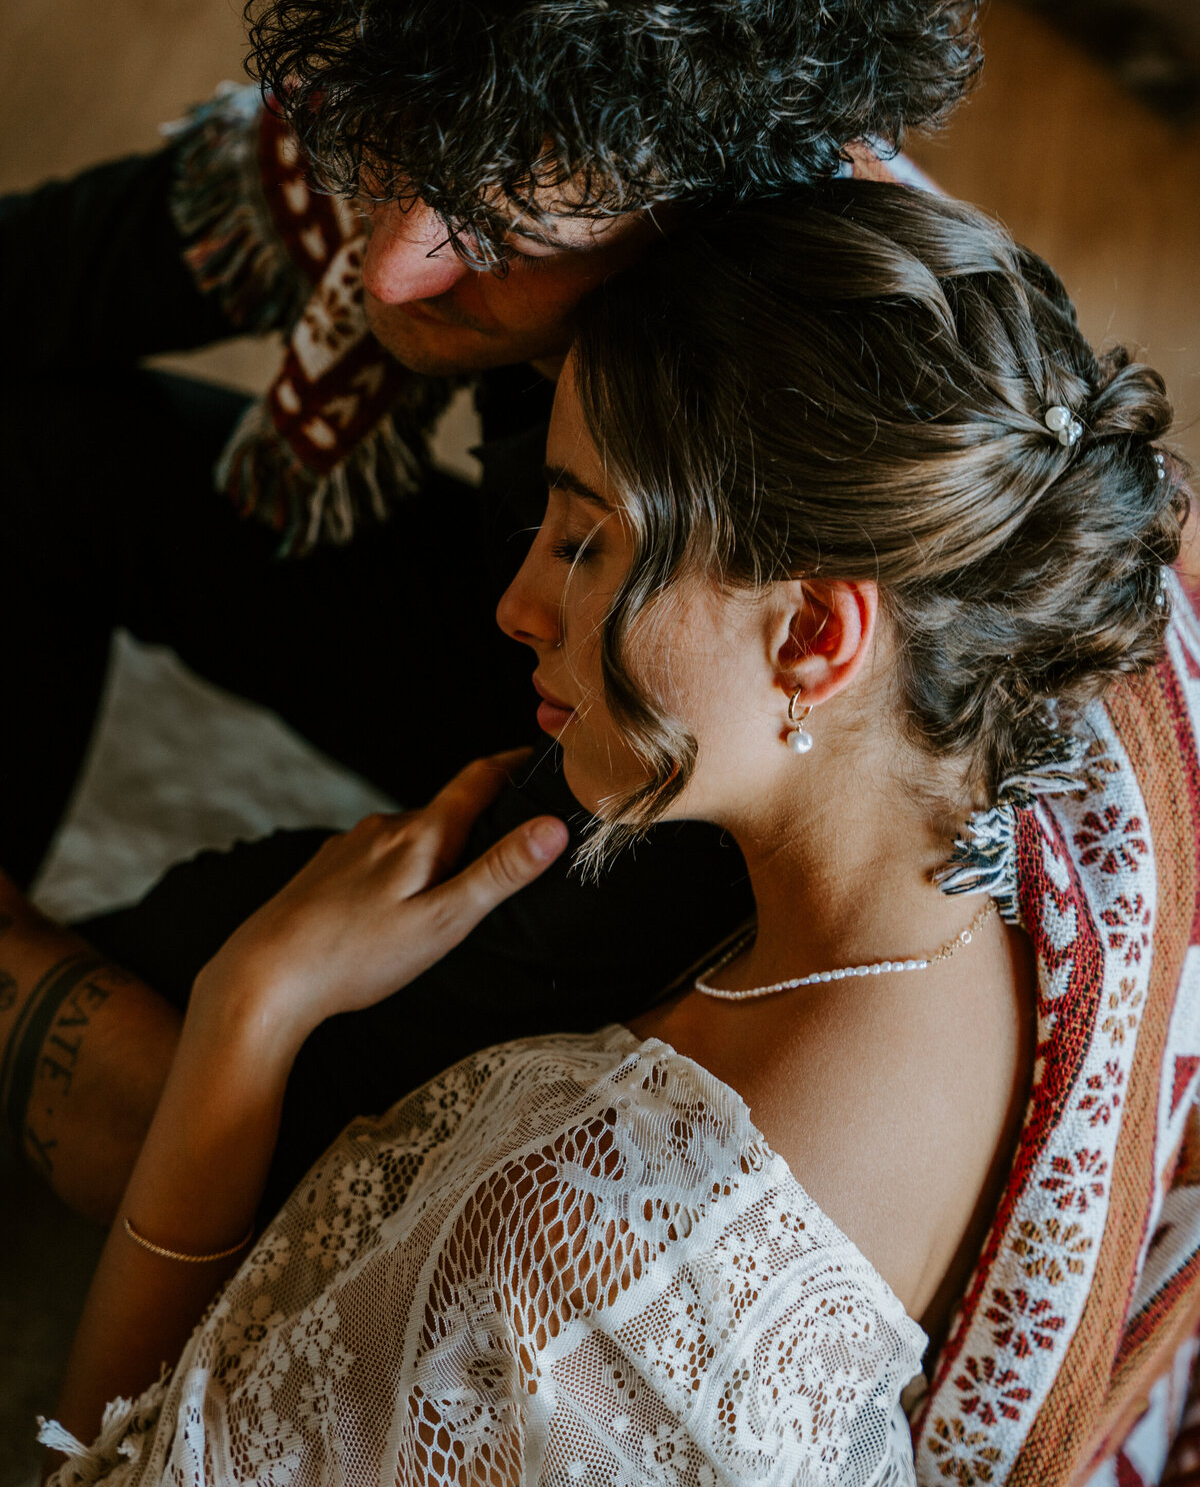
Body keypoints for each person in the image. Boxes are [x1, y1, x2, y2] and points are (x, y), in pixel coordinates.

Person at [0, 0, 990, 1221]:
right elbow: (67, 263)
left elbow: (547, 927)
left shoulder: (755, 483)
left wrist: (196, 982)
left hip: (663, 799)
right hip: (536, 648)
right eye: (378, 158)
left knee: (180, 1019)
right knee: (36, 444)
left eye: (494, 236)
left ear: (694, 221)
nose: (389, 268)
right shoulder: (490, 94)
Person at [39, 183, 1200, 1485]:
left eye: (587, 544)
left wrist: (246, 1010)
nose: (520, 601)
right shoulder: (1000, 886)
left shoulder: (580, 1269)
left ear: (817, 635)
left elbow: (105, 1473)